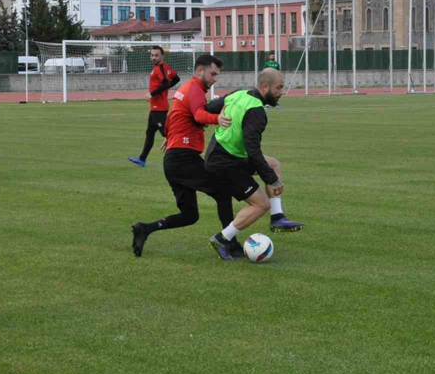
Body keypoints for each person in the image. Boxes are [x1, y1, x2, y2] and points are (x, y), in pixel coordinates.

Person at [131, 55, 242, 257]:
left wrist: (171, 136)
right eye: (213, 74)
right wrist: (218, 118)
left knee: (190, 215)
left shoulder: (184, 89)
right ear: (200, 71)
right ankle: (230, 245)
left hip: (173, 161)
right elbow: (199, 115)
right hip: (183, 159)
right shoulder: (195, 89)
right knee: (222, 192)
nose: (215, 79)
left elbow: (174, 117)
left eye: (217, 75)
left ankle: (145, 229)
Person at [204, 68, 304, 261]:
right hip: (223, 162)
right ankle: (221, 239)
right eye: (279, 87)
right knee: (261, 204)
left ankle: (277, 217)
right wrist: (272, 180)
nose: (282, 92)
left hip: (223, 153)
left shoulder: (239, 93)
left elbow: (209, 108)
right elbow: (253, 151)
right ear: (265, 87)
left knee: (273, 164)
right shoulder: (256, 111)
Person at [128, 46, 180, 168]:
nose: (153, 57)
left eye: (156, 55)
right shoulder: (165, 67)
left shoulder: (160, 68)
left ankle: (180, 157)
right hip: (155, 108)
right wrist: (163, 90)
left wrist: (152, 94)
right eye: (152, 55)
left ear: (162, 56)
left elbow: (166, 83)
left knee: (167, 134)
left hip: (159, 108)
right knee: (149, 133)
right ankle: (142, 159)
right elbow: (176, 78)